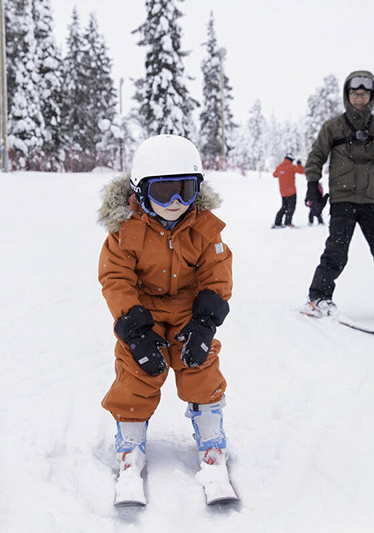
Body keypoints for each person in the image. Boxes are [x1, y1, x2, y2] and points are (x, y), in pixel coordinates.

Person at [97, 134, 234, 492]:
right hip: (144, 312)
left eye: (185, 191)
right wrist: (135, 329)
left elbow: (217, 273)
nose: (175, 203)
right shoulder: (126, 232)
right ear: (141, 192)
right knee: (136, 373)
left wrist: (205, 324)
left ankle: (211, 437)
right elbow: (116, 278)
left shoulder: (205, 230)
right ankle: (130, 442)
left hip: (190, 311)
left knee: (200, 367)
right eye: (163, 193)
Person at [302, 70, 374, 320]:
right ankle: (318, 296)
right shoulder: (333, 126)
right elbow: (316, 156)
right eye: (354, 93)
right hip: (342, 199)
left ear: (371, 96)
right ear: (347, 95)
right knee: (336, 252)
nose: (359, 99)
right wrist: (312, 184)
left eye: (364, 94)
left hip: (373, 200)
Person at [271, 154, 305, 228]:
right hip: (291, 191)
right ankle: (288, 222)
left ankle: (278, 222)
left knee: (284, 207)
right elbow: (302, 171)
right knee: (291, 207)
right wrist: (299, 164)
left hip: (283, 192)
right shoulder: (292, 167)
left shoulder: (279, 167)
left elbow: (274, 175)